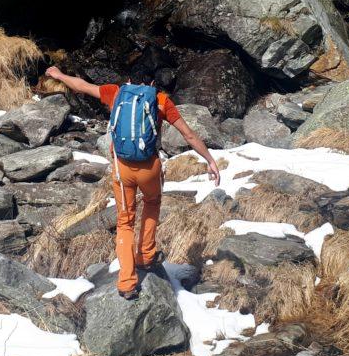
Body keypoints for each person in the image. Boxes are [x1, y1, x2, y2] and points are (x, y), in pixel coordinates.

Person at [44, 65, 221, 300]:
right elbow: (188, 135)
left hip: (122, 168)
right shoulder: (160, 100)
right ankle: (146, 256)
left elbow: (83, 87)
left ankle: (126, 282)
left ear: (128, 79)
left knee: (125, 222)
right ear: (152, 84)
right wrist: (210, 160)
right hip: (149, 168)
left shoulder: (116, 93)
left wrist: (59, 75)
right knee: (152, 203)